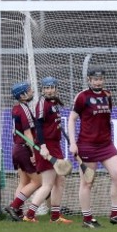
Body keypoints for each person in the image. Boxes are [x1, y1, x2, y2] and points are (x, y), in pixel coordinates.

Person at [68, 68, 117, 228]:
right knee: (87, 182)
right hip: (87, 145)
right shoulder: (82, 97)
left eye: (101, 79)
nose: (98, 82)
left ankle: (115, 214)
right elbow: (72, 119)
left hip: (106, 144)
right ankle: (87, 219)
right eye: (95, 79)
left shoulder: (107, 95)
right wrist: (73, 143)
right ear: (89, 80)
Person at [23, 77, 72, 223]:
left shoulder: (54, 102)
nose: (49, 90)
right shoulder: (42, 104)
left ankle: (55, 216)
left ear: (56, 88)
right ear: (43, 90)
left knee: (60, 180)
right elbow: (38, 126)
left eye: (51, 87)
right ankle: (29, 215)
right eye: (46, 88)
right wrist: (43, 146)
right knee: (48, 183)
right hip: (47, 146)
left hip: (55, 145)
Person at [4, 82, 43, 221]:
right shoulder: (23, 109)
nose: (32, 92)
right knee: (38, 182)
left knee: (24, 181)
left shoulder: (15, 108)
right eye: (29, 90)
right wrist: (33, 153)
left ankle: (18, 213)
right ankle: (14, 206)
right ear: (22, 95)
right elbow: (27, 134)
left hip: (17, 149)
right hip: (24, 149)